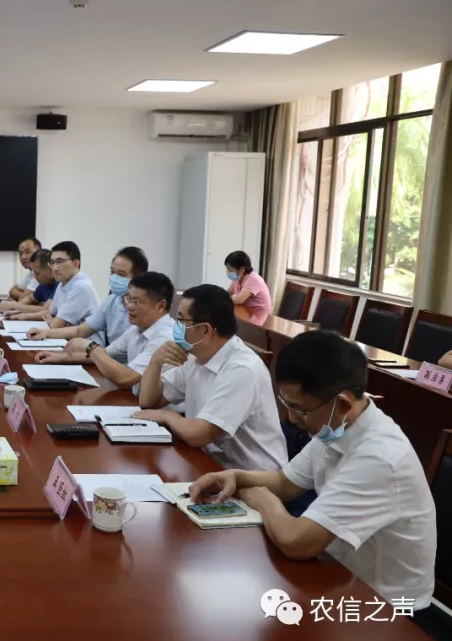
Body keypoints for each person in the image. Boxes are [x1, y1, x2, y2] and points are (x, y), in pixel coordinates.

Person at [188, 331, 436, 613]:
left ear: (342, 403)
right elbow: (286, 482)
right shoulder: (338, 423)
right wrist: (236, 476)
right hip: (339, 573)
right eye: (287, 405)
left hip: (386, 606)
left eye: (299, 409)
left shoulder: (380, 458)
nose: (292, 418)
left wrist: (260, 496)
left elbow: (295, 542)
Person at [137, 284, 288, 471]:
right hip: (212, 464)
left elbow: (199, 434)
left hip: (254, 478)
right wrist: (155, 362)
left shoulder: (242, 370)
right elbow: (149, 401)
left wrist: (167, 415)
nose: (176, 326)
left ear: (205, 330)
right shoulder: (195, 356)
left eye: (181, 320)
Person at [38, 272, 176, 393]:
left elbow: (125, 378)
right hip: (137, 401)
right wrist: (61, 358)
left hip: (162, 411)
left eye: (136, 302)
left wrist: (90, 346)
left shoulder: (165, 337)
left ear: (161, 306)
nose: (129, 306)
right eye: (129, 299)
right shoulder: (136, 329)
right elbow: (106, 353)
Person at [26, 246, 147, 345]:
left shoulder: (145, 308)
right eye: (112, 272)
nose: (114, 278)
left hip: (119, 360)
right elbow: (80, 330)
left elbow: (56, 324)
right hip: (108, 356)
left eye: (121, 274)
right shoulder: (112, 300)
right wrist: (45, 333)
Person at [20, 241, 99, 329]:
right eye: (52, 262)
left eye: (60, 261)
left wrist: (52, 321)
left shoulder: (81, 286)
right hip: (65, 335)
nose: (54, 268)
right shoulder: (62, 283)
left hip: (87, 338)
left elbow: (55, 326)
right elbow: (50, 313)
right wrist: (21, 316)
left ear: (76, 263)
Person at [0, 249, 56, 314]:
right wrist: (13, 308)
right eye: (33, 272)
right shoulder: (44, 284)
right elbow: (30, 298)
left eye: (37, 273)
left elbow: (46, 310)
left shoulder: (59, 284)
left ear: (51, 270)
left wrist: (15, 306)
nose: (34, 277)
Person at [225, 250, 272, 325]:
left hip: (259, 316)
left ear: (241, 269)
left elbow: (238, 300)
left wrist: (222, 301)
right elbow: (228, 292)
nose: (227, 272)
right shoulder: (238, 278)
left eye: (229, 269)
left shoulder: (253, 279)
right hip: (247, 312)